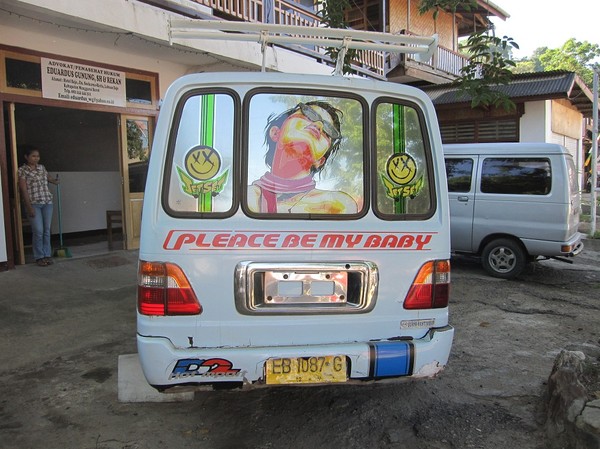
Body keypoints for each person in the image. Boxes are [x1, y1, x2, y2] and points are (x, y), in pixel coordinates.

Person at [248, 100, 358, 214]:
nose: (318, 126)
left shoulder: (338, 205)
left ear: (320, 161)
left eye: (328, 131)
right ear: (276, 133)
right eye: (308, 114)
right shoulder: (247, 199)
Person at [17, 146, 59, 266]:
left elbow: (48, 178)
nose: (36, 158)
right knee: (38, 231)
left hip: (47, 202)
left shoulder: (42, 168)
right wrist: (29, 206)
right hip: (34, 204)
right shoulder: (22, 170)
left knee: (46, 230)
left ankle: (47, 255)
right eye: (33, 156)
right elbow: (23, 190)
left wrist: (55, 181)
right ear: (26, 157)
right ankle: (39, 256)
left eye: (38, 156)